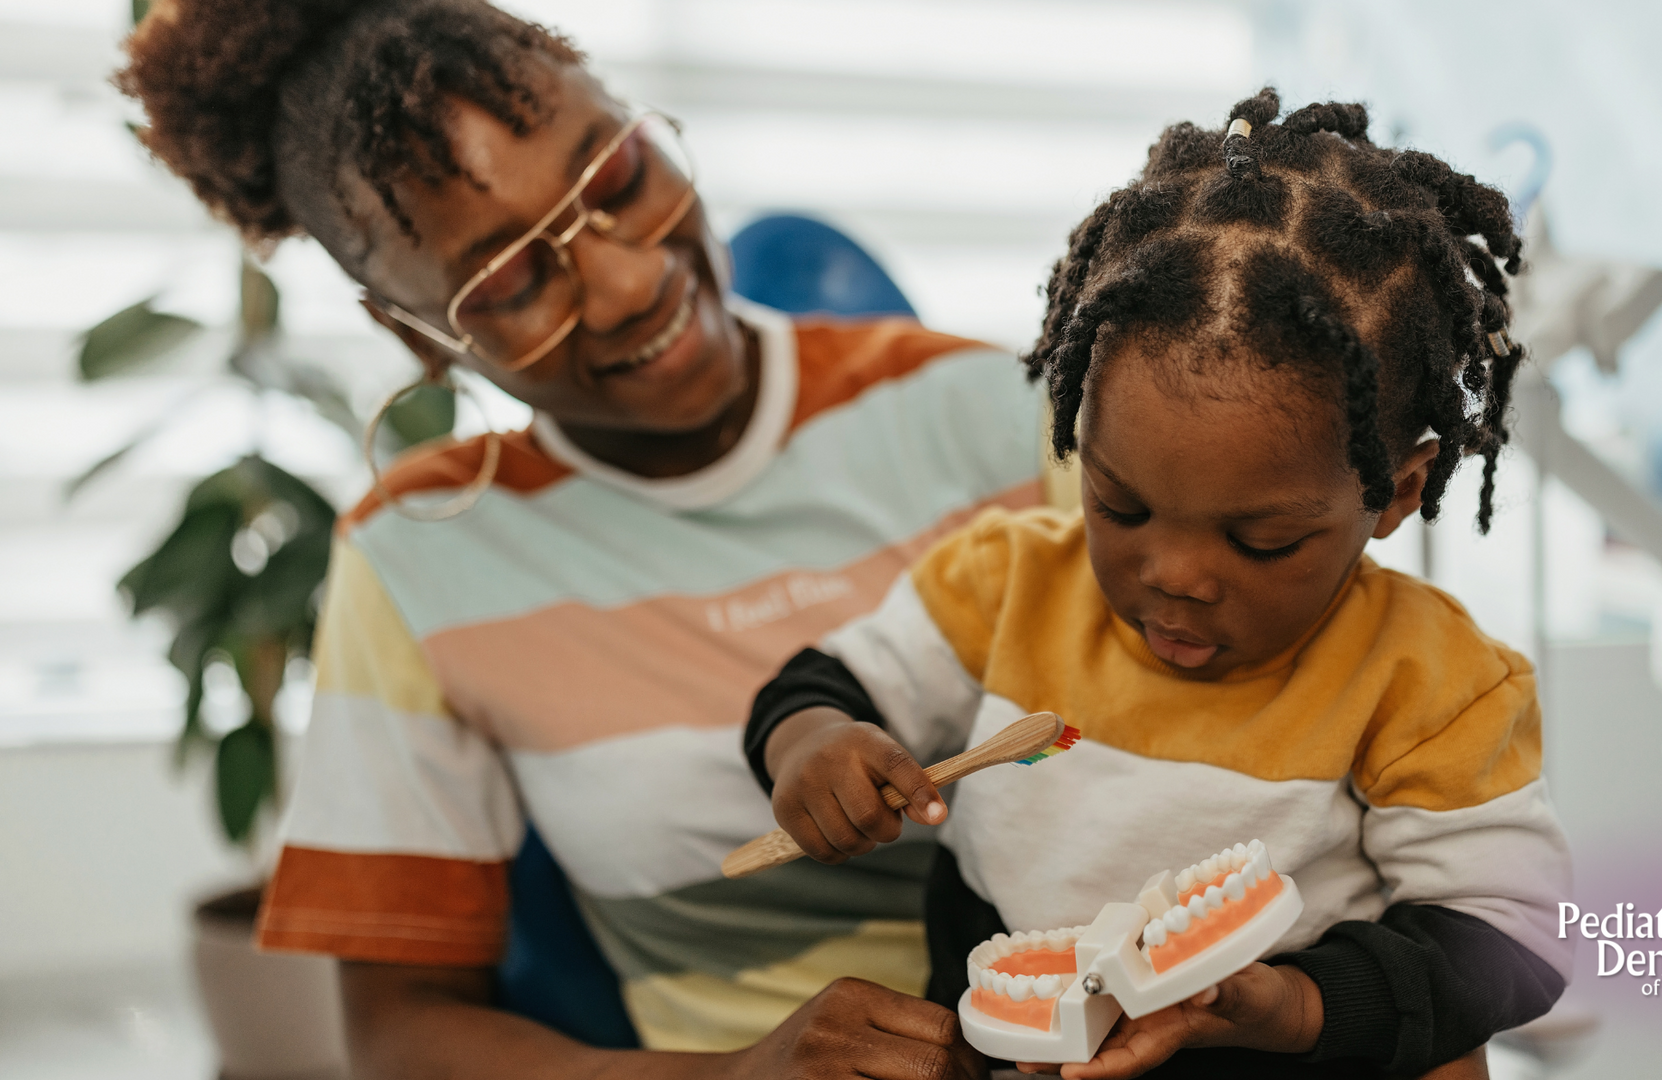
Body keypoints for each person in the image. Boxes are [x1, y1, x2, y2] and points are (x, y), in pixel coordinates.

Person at [118, 1, 1051, 1076]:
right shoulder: (419, 562)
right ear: (407, 326)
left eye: (616, 180)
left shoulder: (996, 412)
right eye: (511, 280)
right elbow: (402, 1034)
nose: (627, 282)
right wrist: (739, 1075)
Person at [745, 90, 1572, 1079]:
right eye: (1120, 507)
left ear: (1397, 492)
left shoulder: (1432, 682)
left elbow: (1510, 941)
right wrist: (817, 748)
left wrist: (1297, 1005)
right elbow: (824, 687)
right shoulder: (1004, 585)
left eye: (1260, 541)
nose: (1173, 577)